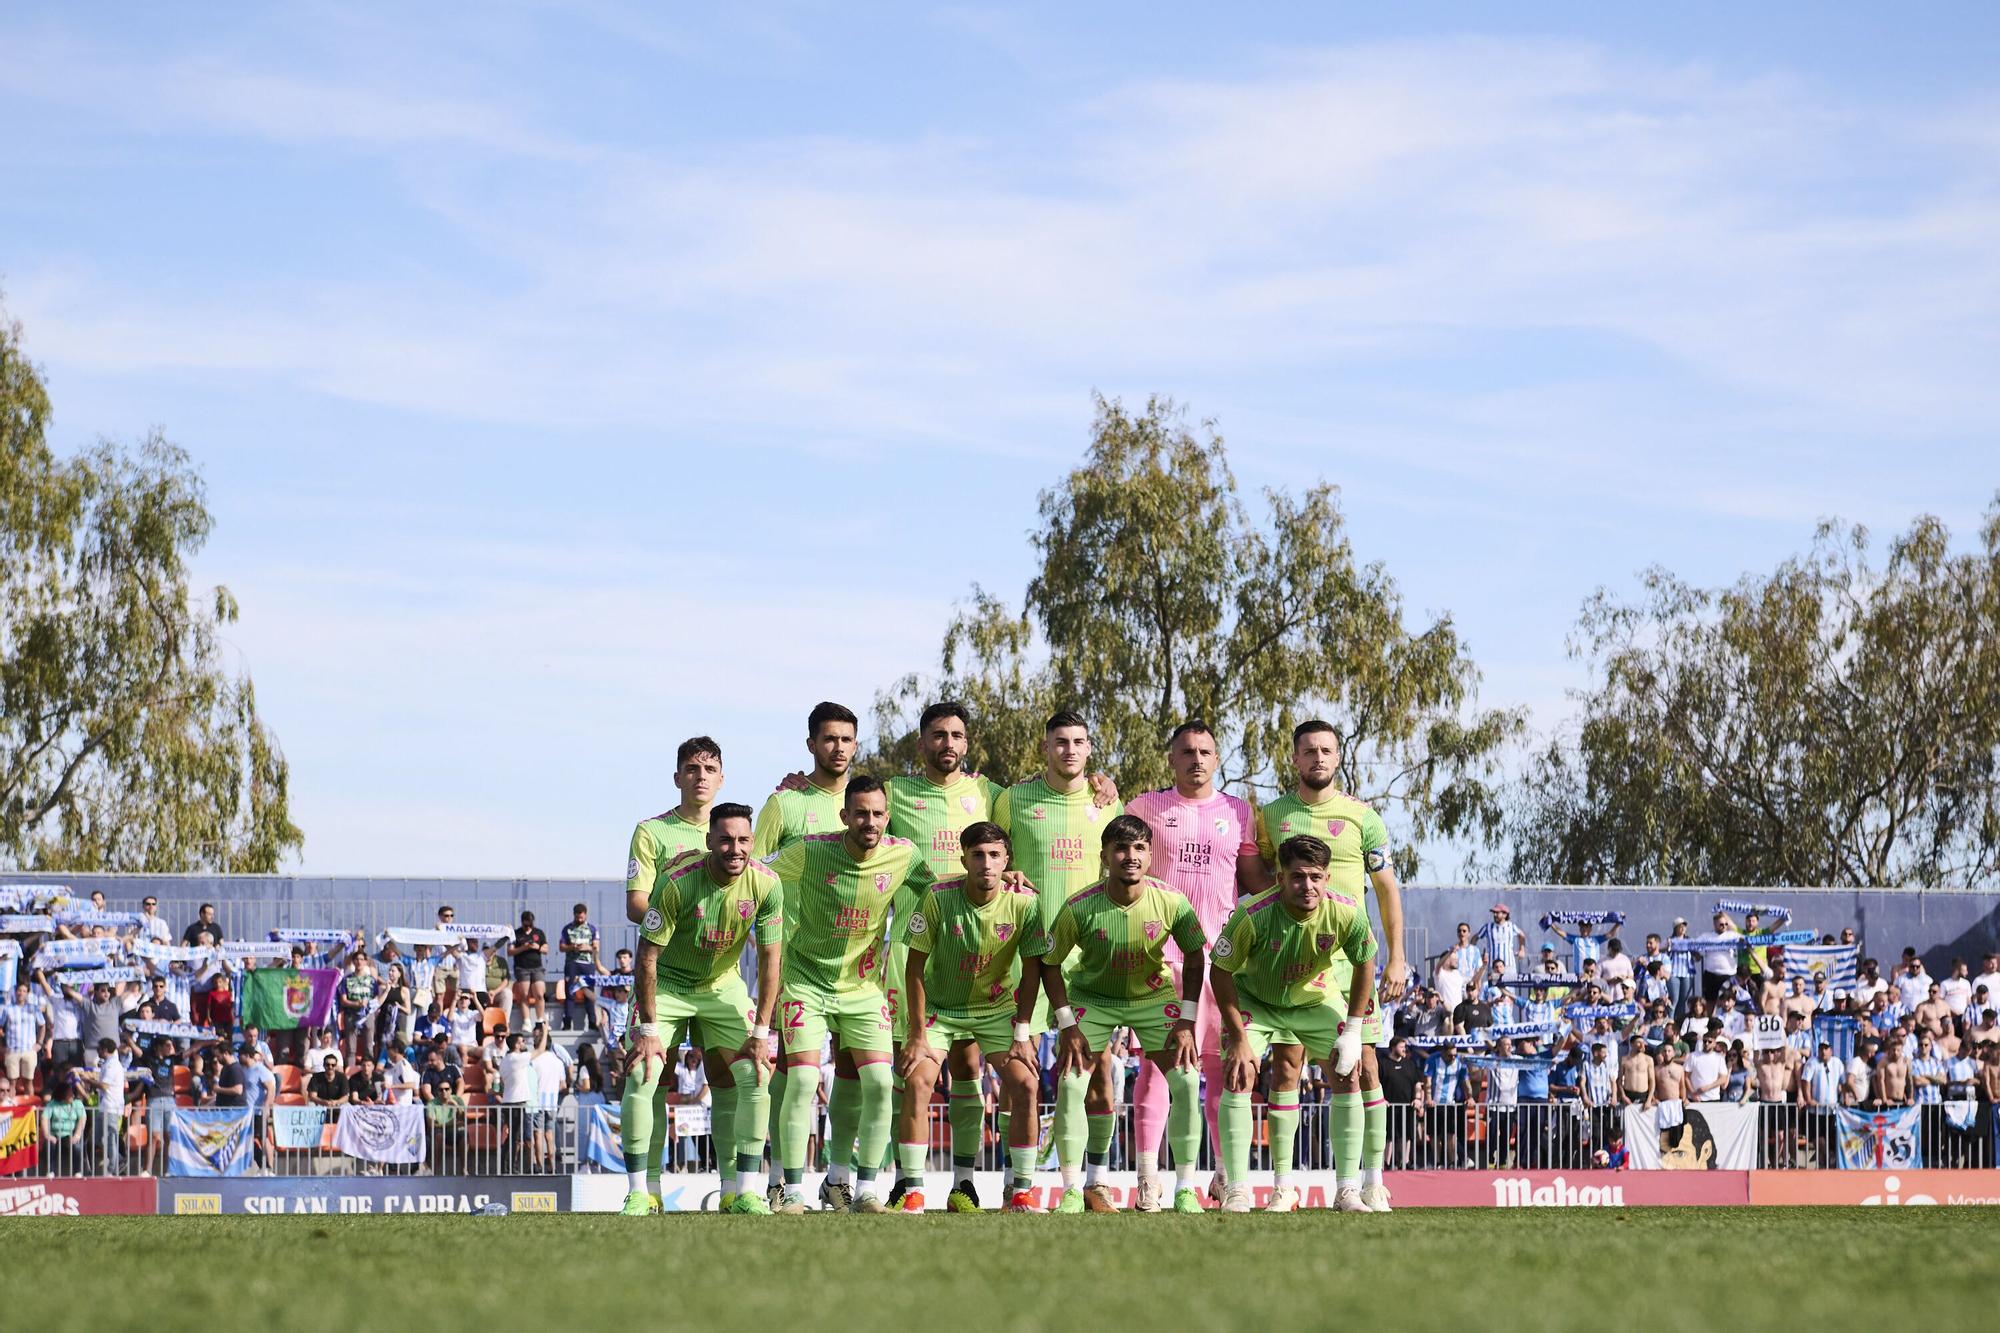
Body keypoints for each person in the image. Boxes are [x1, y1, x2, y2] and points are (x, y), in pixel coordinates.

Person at [1247, 719, 1408, 1212]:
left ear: (1338, 758)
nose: (1318, 757)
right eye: (1308, 750)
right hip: (1293, 963)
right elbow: (1258, 883)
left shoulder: (1364, 818)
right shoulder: (1271, 817)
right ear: (1293, 759)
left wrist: (1396, 956)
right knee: (1287, 1068)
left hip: (1350, 963)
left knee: (1364, 1068)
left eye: (1327, 750)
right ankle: (1283, 1187)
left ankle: (1368, 1183)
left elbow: (1386, 890)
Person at [1021, 813, 1207, 1215]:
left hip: (1153, 999)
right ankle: (1073, 1189)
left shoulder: (1171, 901)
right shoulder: (1079, 906)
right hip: (1094, 999)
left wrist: (1188, 1020)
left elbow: (1195, 956)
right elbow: (1049, 963)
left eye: (1139, 848)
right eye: (1121, 848)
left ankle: (1185, 1189)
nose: (1130, 856)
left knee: (1188, 1081)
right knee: (1072, 1084)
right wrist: (1067, 1023)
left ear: (1151, 855)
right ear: (1104, 856)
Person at [766, 777, 924, 1215]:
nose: (868, 821)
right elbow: (758, 871)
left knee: (878, 1083)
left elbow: (944, 888)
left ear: (886, 817)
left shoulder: (904, 854)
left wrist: (1001, 876)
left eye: (876, 813)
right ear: (844, 816)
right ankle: (790, 1189)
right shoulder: (811, 850)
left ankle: (857, 1186)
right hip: (805, 982)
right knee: (801, 1079)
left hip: (863, 988)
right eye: (860, 813)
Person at [1122, 719, 1259, 1209]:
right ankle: (1148, 1180)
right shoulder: (1144, 807)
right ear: (1171, 758)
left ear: (1216, 759)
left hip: (1220, 962)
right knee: (1157, 1071)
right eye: (1187, 752)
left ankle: (1225, 1177)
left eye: (1205, 751)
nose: (1196, 759)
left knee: (1221, 1071)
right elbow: (1117, 861)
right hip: (1160, 960)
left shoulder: (1239, 812)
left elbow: (1252, 881)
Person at [623, 802, 784, 1215]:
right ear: (709, 840)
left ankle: (741, 1190)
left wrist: (761, 1034)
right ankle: (643, 1192)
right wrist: (648, 1031)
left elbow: (770, 960)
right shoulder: (676, 882)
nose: (735, 848)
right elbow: (647, 958)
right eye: (726, 839)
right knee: (645, 1072)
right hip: (670, 983)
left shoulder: (767, 884)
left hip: (722, 985)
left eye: (743, 840)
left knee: (754, 1071)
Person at [1210, 834, 1377, 1212]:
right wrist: (1237, 1036)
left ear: (1328, 878)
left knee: (1348, 1071)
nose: (1308, 886)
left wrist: (1353, 1031)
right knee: (1239, 1072)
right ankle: (1237, 1189)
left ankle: (1348, 1189)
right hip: (1257, 1000)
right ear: (1280, 878)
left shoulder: (1347, 911)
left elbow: (1365, 962)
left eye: (1316, 877)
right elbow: (1219, 971)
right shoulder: (1252, 915)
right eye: (1298, 876)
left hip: (1314, 998)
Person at [894, 821, 1044, 1214]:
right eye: (977, 855)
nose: (986, 863)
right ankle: (913, 1189)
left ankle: (1021, 1192)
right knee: (918, 1080)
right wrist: (916, 1033)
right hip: (941, 1010)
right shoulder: (938, 898)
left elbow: (1033, 971)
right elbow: (914, 968)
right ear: (963, 859)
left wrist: (1023, 1032)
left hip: (995, 1011)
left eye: (995, 855)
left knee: (1026, 1084)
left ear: (1007, 860)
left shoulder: (1025, 904)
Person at [558, 903, 600, 1031]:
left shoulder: (592, 928)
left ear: (585, 914)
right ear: (574, 915)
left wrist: (587, 947)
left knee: (589, 993)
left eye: (582, 917)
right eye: (578, 917)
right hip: (572, 964)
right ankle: (567, 1022)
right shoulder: (567, 929)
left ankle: (592, 1022)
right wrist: (572, 947)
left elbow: (596, 946)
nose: (580, 920)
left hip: (587, 964)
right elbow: (561, 947)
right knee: (570, 992)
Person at [509, 911, 549, 1029]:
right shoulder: (516, 934)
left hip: (537, 967)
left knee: (539, 994)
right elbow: (510, 951)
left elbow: (546, 949)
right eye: (526, 925)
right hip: (522, 968)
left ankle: (540, 1020)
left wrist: (538, 947)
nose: (528, 927)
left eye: (530, 925)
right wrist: (523, 947)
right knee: (524, 995)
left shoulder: (539, 933)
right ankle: (526, 1021)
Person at [1473, 904, 1525, 978]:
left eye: (1497, 912)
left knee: (1509, 989)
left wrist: (1522, 949)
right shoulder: (1488, 927)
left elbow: (1522, 935)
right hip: (1493, 966)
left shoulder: (1511, 926)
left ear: (1505, 914)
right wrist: (1475, 954)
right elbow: (1475, 938)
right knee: (1493, 989)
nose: (1494, 915)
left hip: (1508, 965)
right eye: (1494, 912)